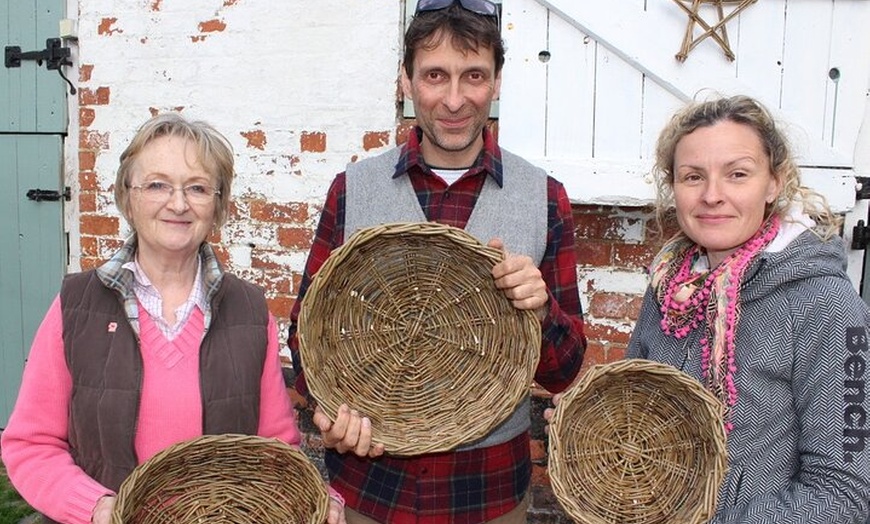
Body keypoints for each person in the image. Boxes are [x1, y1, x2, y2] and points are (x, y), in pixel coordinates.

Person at [285, 0, 587, 522]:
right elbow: (305, 336)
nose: (453, 99)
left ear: (496, 82)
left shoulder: (543, 197)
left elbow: (567, 372)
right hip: (370, 489)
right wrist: (327, 411)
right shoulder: (352, 190)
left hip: (488, 494)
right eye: (434, 76)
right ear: (405, 81)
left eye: (473, 76)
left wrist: (539, 311)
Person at [1, 113, 345, 524]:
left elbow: (275, 451)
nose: (178, 203)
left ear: (217, 205)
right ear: (128, 197)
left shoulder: (249, 310)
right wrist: (97, 507)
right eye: (157, 184)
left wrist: (313, 493)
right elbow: (31, 444)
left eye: (197, 188)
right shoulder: (77, 306)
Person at [546, 95, 870, 522]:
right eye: (693, 176)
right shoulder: (669, 283)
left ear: (774, 182)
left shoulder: (824, 302)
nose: (712, 195)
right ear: (673, 186)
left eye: (737, 174)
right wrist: (590, 431)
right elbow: (639, 424)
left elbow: (841, 495)